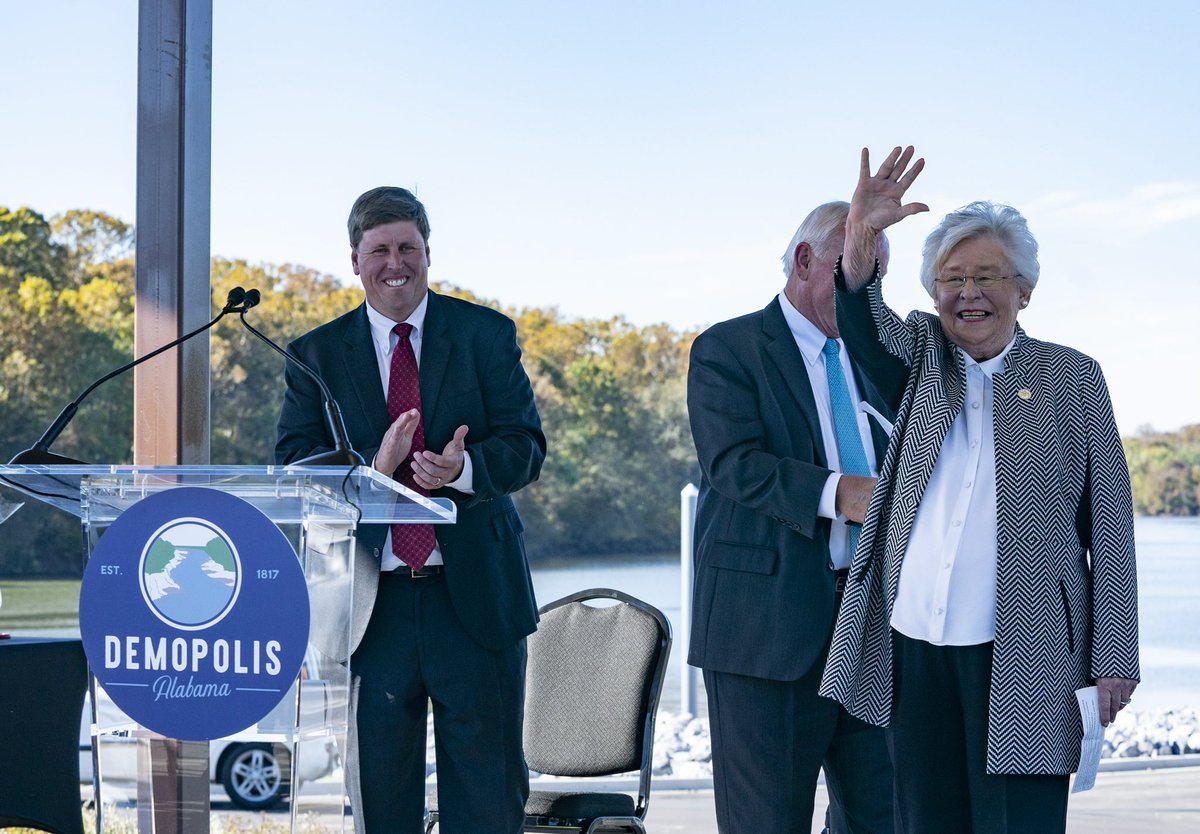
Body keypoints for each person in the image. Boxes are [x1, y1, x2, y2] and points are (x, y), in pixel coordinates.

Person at [820, 147, 1140, 834]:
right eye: (952, 278)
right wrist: (861, 238)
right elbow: (866, 328)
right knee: (922, 821)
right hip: (914, 645)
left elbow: (1110, 527)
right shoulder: (922, 356)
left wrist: (1114, 657)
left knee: (1016, 823)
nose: (969, 293)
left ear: (1023, 289)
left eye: (988, 276)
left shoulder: (1072, 377)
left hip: (1026, 650)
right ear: (934, 294)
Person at [276, 186, 546, 833]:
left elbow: (526, 446)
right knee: (381, 803)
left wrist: (465, 469)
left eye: (408, 248)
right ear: (355, 260)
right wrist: (375, 470)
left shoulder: (486, 334)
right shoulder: (314, 355)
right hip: (374, 609)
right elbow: (293, 465)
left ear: (428, 253)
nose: (395, 262)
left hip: (474, 601)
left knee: (488, 801)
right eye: (380, 250)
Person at [687, 201, 901, 833]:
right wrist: (841, 493)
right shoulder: (727, 348)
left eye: (877, 275)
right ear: (805, 260)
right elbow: (733, 464)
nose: (866, 289)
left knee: (885, 820)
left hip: (876, 631)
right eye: (852, 267)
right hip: (765, 634)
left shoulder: (884, 358)